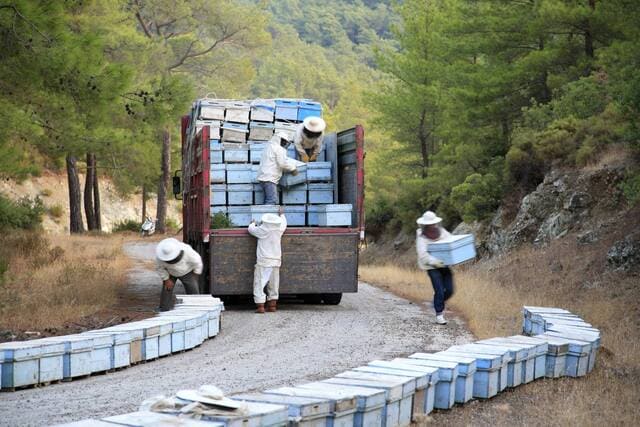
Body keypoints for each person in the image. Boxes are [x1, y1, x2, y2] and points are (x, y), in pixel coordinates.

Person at [416, 211, 454, 325]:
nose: (433, 226)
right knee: (439, 290)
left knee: (450, 290)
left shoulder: (442, 232)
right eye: (430, 224)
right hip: (431, 267)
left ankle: (436, 302)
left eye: (434, 223)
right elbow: (422, 255)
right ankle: (439, 314)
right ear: (425, 225)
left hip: (445, 264)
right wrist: (434, 262)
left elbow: (450, 241)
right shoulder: (421, 236)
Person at [248, 208, 287, 313]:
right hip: (276, 261)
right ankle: (272, 306)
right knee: (274, 284)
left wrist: (252, 224)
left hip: (264, 261)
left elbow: (251, 230)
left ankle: (260, 306)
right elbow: (284, 223)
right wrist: (282, 215)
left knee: (260, 283)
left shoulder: (262, 230)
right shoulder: (279, 230)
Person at [155, 238, 203, 311]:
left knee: (193, 289)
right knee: (167, 289)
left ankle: (195, 308)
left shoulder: (187, 251)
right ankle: (164, 308)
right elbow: (159, 268)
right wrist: (166, 279)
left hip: (187, 272)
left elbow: (198, 262)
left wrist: (196, 273)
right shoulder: (160, 257)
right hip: (170, 272)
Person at [257, 131, 298, 204]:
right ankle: (268, 215)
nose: (285, 143)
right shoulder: (278, 149)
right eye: (284, 141)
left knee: (268, 200)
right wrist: (293, 169)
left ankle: (265, 214)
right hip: (269, 179)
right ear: (279, 139)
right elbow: (282, 163)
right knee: (271, 200)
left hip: (263, 177)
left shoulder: (269, 146)